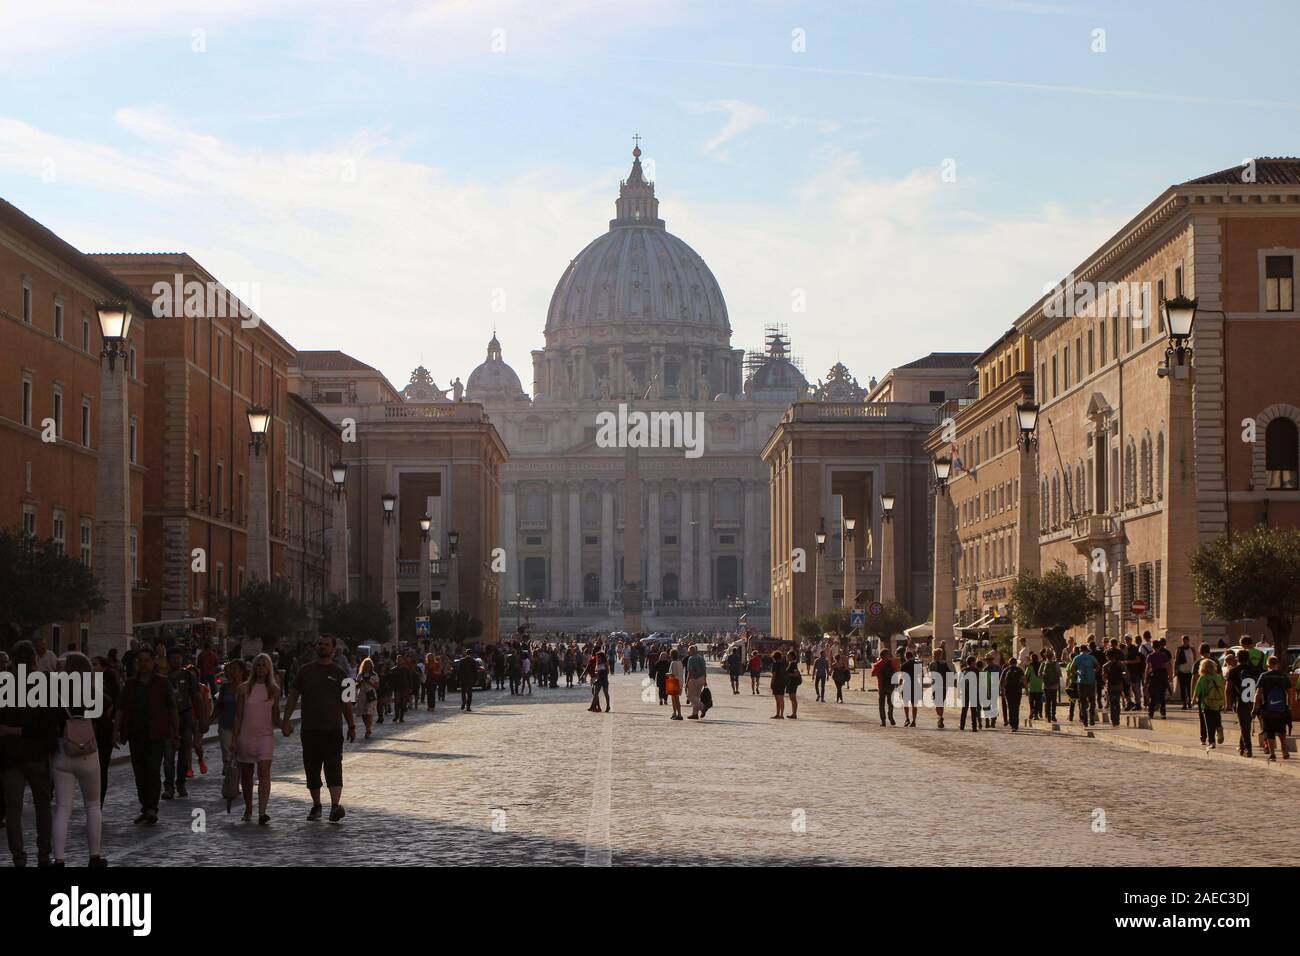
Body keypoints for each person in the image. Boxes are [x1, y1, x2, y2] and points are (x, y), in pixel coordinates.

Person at [281, 634, 356, 822]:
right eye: (320, 644)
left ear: (333, 649)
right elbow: (292, 696)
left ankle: (335, 806)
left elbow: (347, 703)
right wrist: (286, 720)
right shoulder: (304, 671)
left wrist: (352, 725)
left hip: (333, 729)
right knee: (312, 768)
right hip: (310, 729)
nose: (322, 647)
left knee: (334, 767)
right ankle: (316, 805)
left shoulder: (341, 674)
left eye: (326, 645)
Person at [50, 653, 106, 867]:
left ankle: (59, 859)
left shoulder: (55, 694)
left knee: (63, 807)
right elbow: (106, 710)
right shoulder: (92, 692)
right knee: (93, 805)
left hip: (62, 751)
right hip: (88, 753)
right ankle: (94, 856)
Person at [115, 646, 178, 828]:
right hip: (136, 734)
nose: (143, 664)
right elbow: (121, 708)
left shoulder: (162, 682)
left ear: (153, 662)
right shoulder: (131, 684)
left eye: (146, 660)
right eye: (140, 661)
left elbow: (172, 708)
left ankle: (152, 807)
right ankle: (145, 806)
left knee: (152, 770)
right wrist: (116, 731)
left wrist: (176, 732)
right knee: (139, 772)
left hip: (156, 734)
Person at [234, 653, 280, 824]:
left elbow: (276, 716)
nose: (261, 668)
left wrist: (285, 725)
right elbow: (238, 716)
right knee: (246, 776)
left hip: (265, 736)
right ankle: (248, 808)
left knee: (264, 772)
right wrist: (234, 740)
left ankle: (262, 811)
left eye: (264, 665)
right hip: (246, 735)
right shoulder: (243, 689)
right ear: (254, 668)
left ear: (269, 668)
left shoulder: (274, 690)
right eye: (258, 665)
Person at [164, 647, 200, 798]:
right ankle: (169, 786)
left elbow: (197, 697)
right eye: (173, 658)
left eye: (178, 658)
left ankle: (181, 783)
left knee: (184, 755)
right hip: (168, 722)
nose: (176, 661)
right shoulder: (163, 678)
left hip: (185, 718)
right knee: (168, 757)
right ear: (168, 660)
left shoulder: (188, 676)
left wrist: (202, 718)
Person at [1253, 656, 1292, 762]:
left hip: (1268, 709)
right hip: (1281, 709)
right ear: (1277, 664)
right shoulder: (1283, 676)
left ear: (1268, 665)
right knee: (1281, 730)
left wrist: (1255, 707)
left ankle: (1272, 754)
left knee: (1269, 731)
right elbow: (1289, 692)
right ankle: (1284, 750)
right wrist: (1289, 706)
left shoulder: (1264, 676)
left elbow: (1258, 693)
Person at [1225, 648, 1258, 758]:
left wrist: (1228, 703)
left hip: (1241, 701)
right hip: (1253, 700)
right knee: (1245, 724)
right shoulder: (1255, 669)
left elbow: (1228, 689)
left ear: (1237, 658)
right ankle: (1242, 747)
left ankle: (1248, 749)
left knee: (1244, 725)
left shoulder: (1234, 671)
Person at [215, 659, 245, 775]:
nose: (232, 672)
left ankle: (240, 776)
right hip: (226, 725)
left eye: (235, 669)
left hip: (243, 726)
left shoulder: (247, 687)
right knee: (227, 754)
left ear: (242, 671)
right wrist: (208, 721)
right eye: (231, 669)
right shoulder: (225, 687)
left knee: (241, 754)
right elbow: (219, 706)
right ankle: (231, 780)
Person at [1192, 658, 1225, 750]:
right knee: (1217, 717)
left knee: (1209, 724)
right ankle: (1219, 728)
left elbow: (1197, 690)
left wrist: (1193, 700)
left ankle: (1212, 742)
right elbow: (1223, 689)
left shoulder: (1203, 678)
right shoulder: (1218, 677)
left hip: (1206, 704)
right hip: (1217, 702)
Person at [1070, 644, 1098, 727]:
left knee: (1083, 702)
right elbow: (1098, 666)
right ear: (1086, 650)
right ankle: (1092, 717)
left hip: (1081, 682)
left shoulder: (1077, 658)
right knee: (1092, 701)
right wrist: (1093, 672)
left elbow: (1072, 668)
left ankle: (1085, 721)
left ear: (1080, 650)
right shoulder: (1091, 657)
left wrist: (1078, 673)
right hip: (1091, 681)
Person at [1145, 638, 1172, 720]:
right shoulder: (1164, 655)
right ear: (1160, 647)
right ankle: (1163, 713)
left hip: (1154, 676)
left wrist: (1146, 679)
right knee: (1162, 696)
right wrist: (1170, 677)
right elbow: (1168, 667)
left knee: (1152, 696)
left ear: (1152, 647)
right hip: (1162, 675)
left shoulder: (1150, 656)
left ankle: (1151, 713)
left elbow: (1147, 668)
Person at [870, 648, 897, 727]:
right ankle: (890, 717)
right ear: (884, 655)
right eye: (888, 654)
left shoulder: (878, 664)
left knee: (882, 704)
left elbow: (873, 674)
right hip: (890, 686)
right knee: (890, 703)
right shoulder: (891, 663)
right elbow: (895, 672)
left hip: (882, 686)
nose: (889, 656)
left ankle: (883, 720)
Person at [1102, 648, 1127, 727]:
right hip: (1119, 686)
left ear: (1108, 657)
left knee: (1112, 704)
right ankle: (1118, 719)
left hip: (1110, 686)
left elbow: (1104, 677)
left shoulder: (1105, 666)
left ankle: (1114, 720)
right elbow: (1125, 673)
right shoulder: (1120, 664)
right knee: (1117, 703)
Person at [899, 649, 923, 727]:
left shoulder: (904, 665)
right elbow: (920, 676)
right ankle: (914, 721)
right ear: (912, 656)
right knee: (914, 704)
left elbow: (902, 677)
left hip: (906, 685)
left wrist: (900, 684)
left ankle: (907, 719)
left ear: (906, 657)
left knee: (906, 703)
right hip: (915, 684)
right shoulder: (917, 665)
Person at [929, 647, 951, 728]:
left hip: (937, 686)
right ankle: (940, 717)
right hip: (944, 686)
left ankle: (940, 717)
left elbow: (931, 675)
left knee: (937, 703)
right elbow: (949, 674)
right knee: (941, 702)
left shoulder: (933, 664)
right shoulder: (945, 663)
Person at [686, 645, 710, 719]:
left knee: (690, 696)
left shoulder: (691, 658)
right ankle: (695, 714)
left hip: (694, 679)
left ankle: (703, 708)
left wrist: (687, 682)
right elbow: (704, 670)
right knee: (696, 697)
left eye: (689, 651)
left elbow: (690, 672)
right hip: (701, 678)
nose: (688, 652)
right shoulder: (701, 658)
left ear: (691, 651)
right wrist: (705, 680)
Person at [958, 656, 981, 732]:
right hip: (973, 691)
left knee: (964, 709)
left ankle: (962, 725)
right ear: (971, 662)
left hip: (965, 691)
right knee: (973, 709)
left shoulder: (963, 670)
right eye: (974, 661)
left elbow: (960, 682)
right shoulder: (976, 671)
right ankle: (974, 727)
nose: (975, 663)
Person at [1174, 635, 1197, 710]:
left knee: (1190, 688)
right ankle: (1184, 703)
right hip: (1182, 671)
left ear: (1188, 641)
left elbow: (1195, 659)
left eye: (1186, 640)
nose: (1185, 642)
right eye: (1184, 640)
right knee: (1182, 688)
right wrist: (1175, 670)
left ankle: (1190, 701)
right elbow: (1176, 660)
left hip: (1190, 671)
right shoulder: (1179, 649)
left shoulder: (1192, 649)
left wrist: (1195, 670)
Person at [666, 649, 684, 720]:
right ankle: (674, 713)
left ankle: (679, 714)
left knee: (675, 699)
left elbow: (672, 674)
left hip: (674, 682)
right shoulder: (680, 662)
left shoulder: (673, 663)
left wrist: (667, 674)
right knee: (674, 698)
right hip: (680, 681)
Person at [769, 651, 788, 719]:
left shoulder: (775, 664)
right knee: (782, 699)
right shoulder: (784, 664)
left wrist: (771, 683)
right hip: (783, 682)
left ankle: (778, 714)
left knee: (777, 699)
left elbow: (774, 675)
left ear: (774, 657)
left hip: (777, 682)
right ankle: (782, 714)